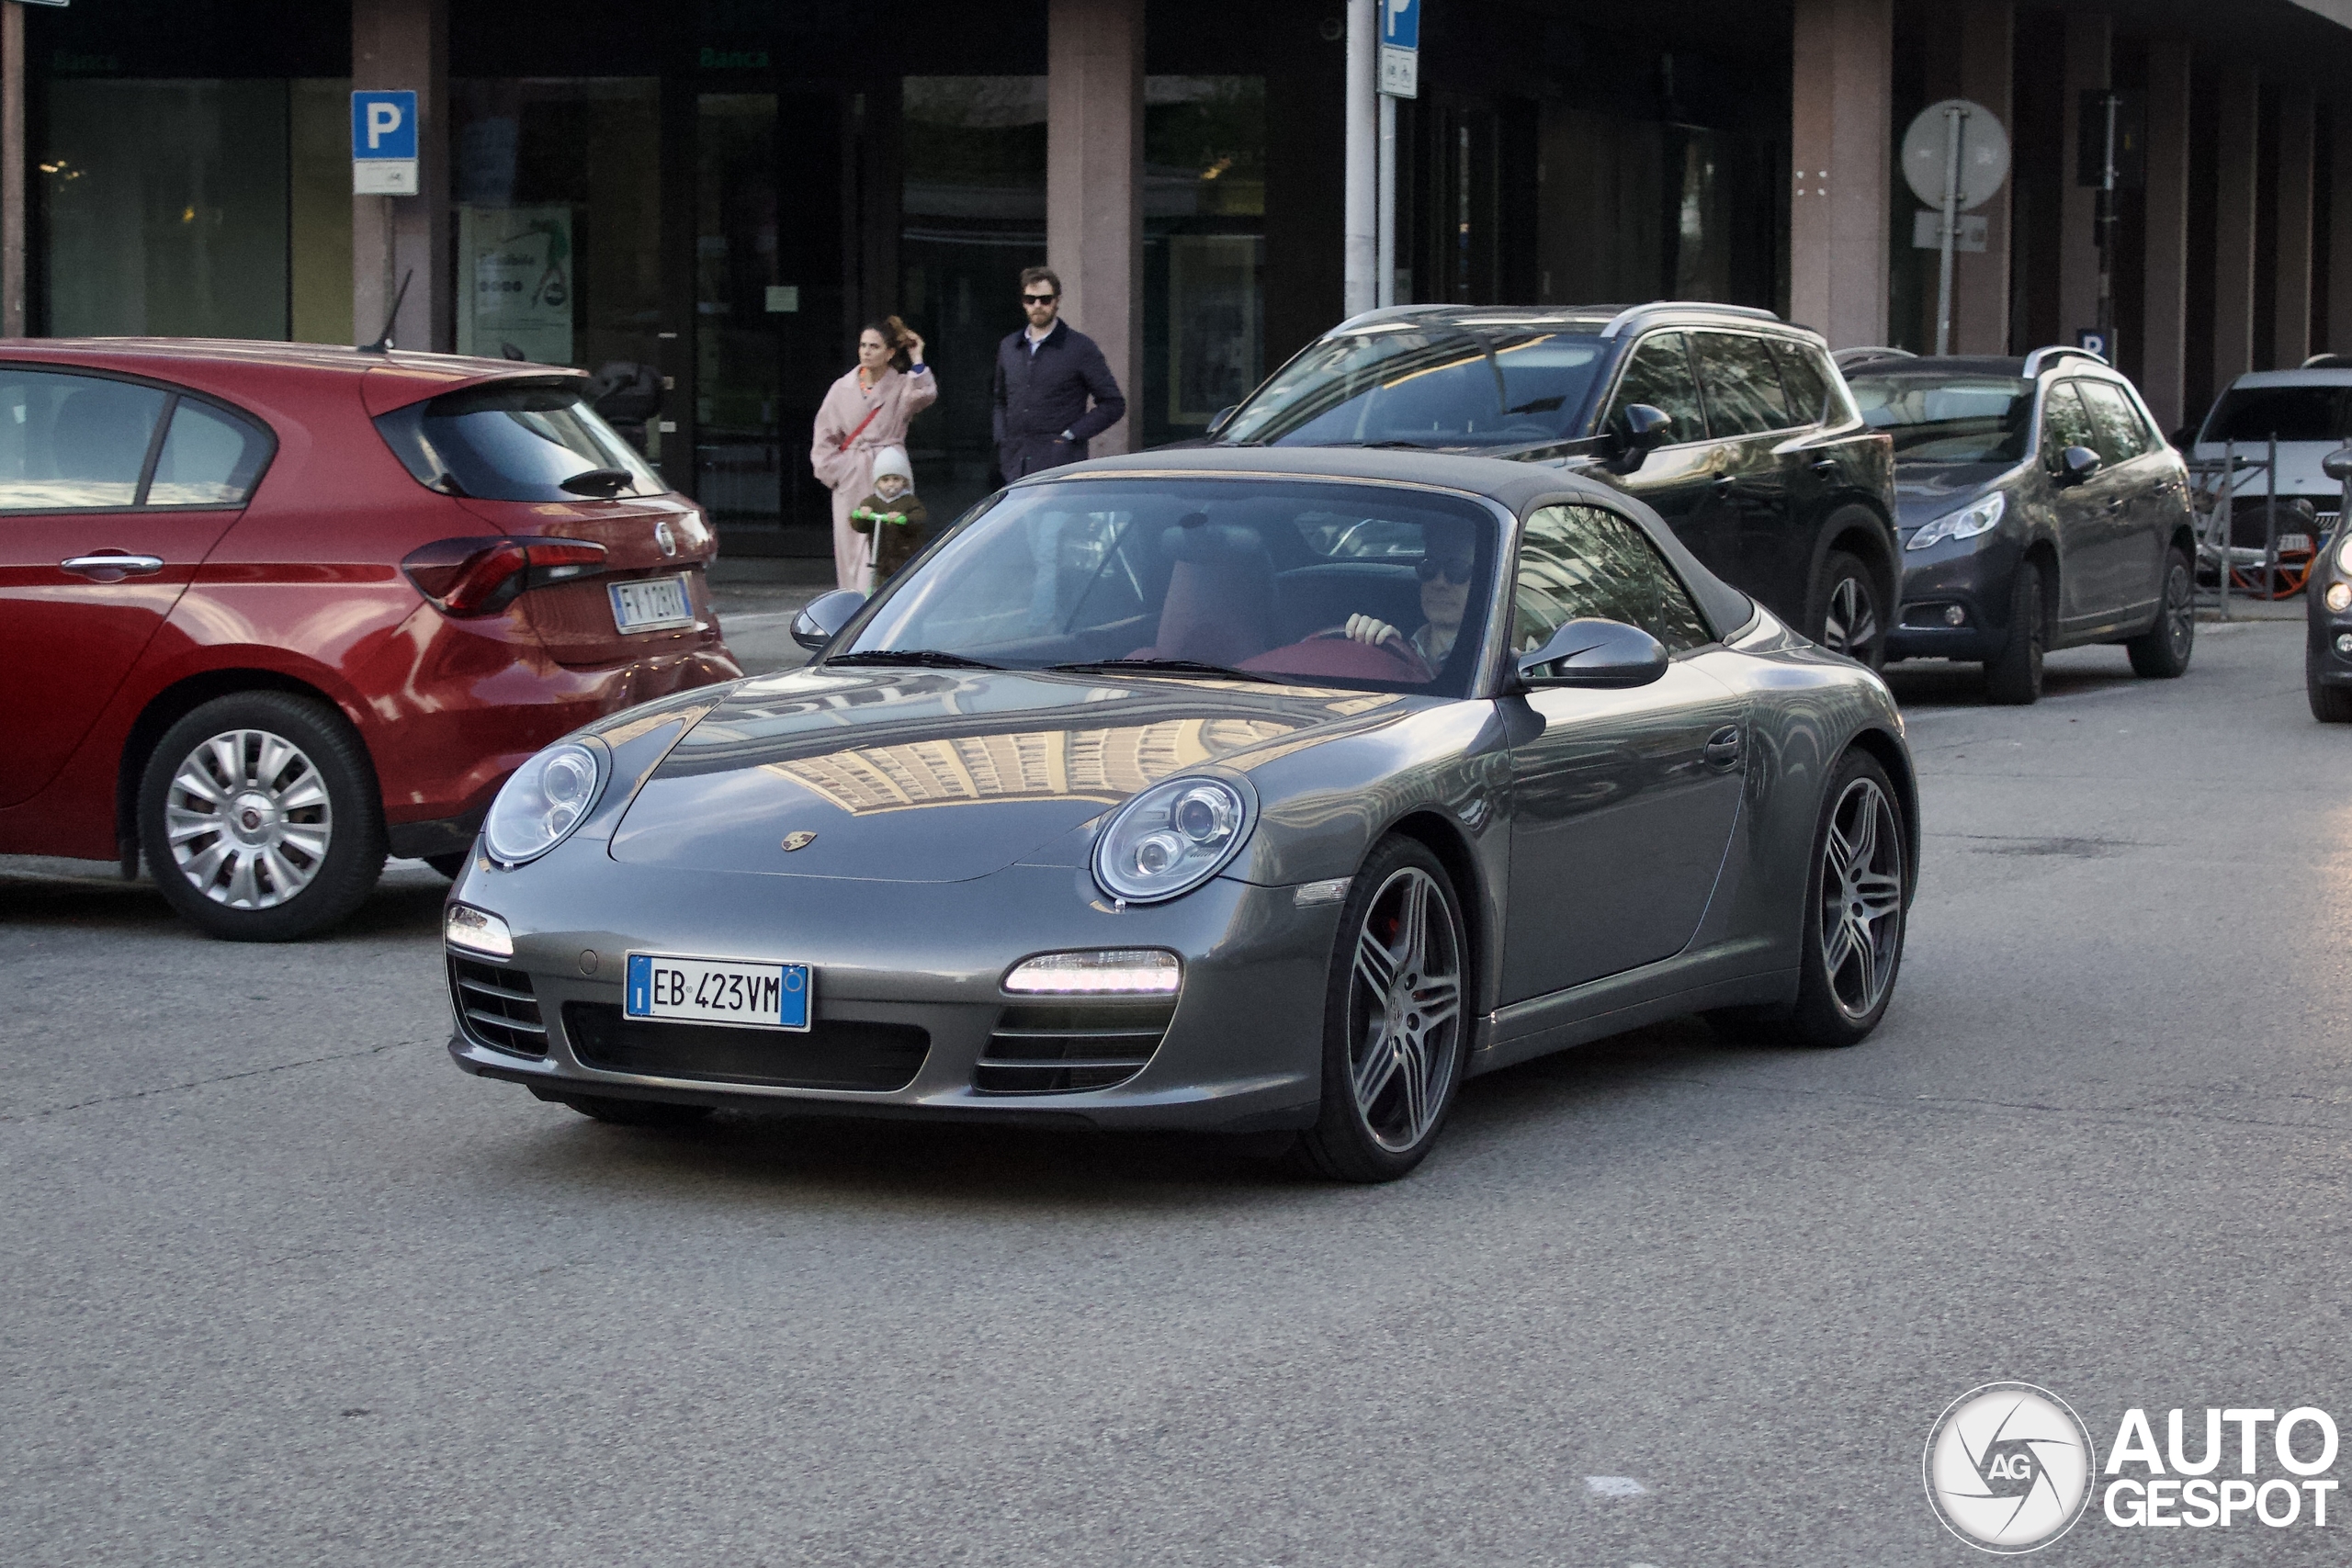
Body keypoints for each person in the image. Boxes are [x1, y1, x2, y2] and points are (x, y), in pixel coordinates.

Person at [812, 317, 935, 591]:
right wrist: (838, 472)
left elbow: (925, 394)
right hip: (853, 472)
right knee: (853, 545)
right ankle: (854, 606)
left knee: (894, 541)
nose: (866, 351)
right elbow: (824, 437)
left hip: (890, 470)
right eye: (863, 345)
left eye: (874, 346)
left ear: (890, 352)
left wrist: (917, 356)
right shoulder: (841, 388)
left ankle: (889, 605)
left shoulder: (902, 384)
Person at [991, 266, 1125, 482]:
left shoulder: (1080, 347)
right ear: (1023, 301)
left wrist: (1070, 436)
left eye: (1045, 299)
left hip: (1059, 464)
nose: (1037, 306)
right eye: (1030, 299)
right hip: (1014, 463)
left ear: (1057, 300)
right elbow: (1000, 400)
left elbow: (1113, 403)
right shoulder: (1009, 347)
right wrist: (1002, 438)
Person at [1342, 532, 1476, 675]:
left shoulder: (1490, 657)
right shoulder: (1397, 643)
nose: (1438, 582)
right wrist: (1376, 649)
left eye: (1457, 570)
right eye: (1429, 567)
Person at [846, 446, 930, 585]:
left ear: (904, 481)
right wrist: (861, 516)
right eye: (885, 480)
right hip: (881, 562)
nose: (891, 484)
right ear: (877, 483)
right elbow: (860, 527)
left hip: (906, 558)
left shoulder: (909, 501)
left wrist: (904, 520)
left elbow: (919, 519)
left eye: (896, 479)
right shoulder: (871, 502)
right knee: (879, 587)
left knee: (905, 586)